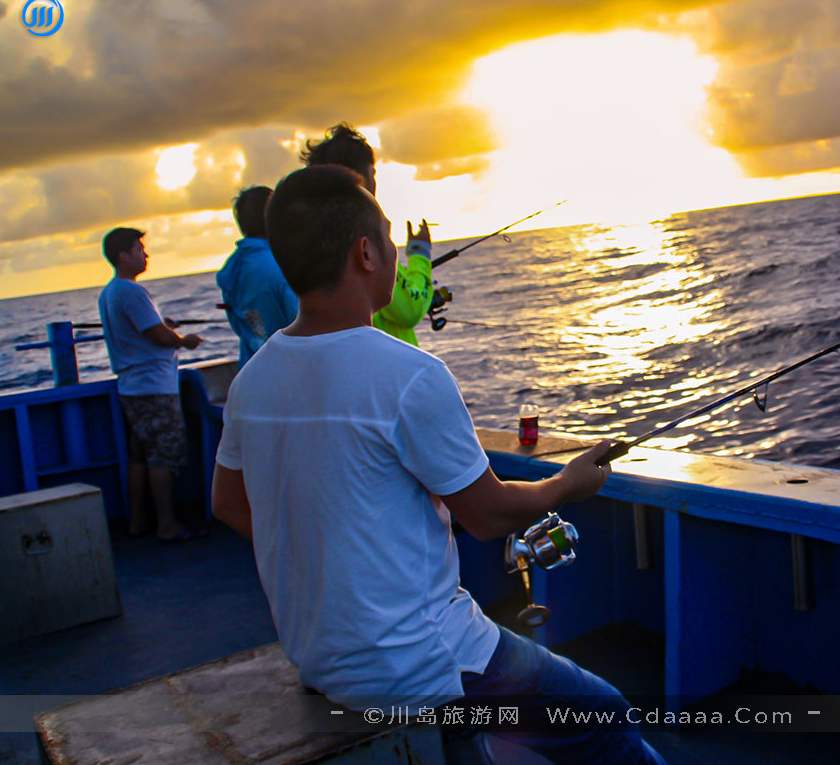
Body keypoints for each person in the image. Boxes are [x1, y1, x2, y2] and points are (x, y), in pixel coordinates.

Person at [210, 165, 664, 765]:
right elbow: (489, 515)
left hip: (319, 659)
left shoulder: (252, 379)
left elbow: (229, 504)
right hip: (423, 665)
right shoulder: (408, 375)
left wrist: (334, 560)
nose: (398, 253)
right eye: (392, 240)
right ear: (366, 252)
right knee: (605, 717)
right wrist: (566, 483)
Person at [98, 227, 203, 542]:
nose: (145, 255)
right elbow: (157, 335)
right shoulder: (131, 291)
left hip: (131, 387)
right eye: (139, 249)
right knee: (163, 455)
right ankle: (167, 524)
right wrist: (184, 341)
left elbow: (144, 329)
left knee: (140, 455)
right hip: (153, 387)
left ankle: (138, 522)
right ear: (123, 256)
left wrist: (163, 327)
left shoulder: (109, 292)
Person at [300, 122, 435, 346]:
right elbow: (409, 310)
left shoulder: (309, 243)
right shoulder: (366, 238)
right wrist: (420, 253)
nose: (375, 182)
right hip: (388, 371)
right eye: (372, 173)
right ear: (357, 178)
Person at [216, 185, 298, 366]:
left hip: (252, 368)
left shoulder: (232, 269)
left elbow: (240, 324)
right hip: (290, 371)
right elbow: (302, 322)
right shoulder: (280, 264)